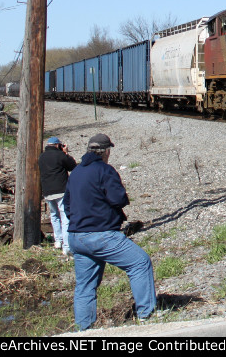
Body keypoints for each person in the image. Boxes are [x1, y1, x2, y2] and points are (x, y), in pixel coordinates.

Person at [64, 133, 155, 331]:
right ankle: (146, 316)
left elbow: (67, 206)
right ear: (106, 151)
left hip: (77, 236)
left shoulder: (76, 172)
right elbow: (118, 199)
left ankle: (84, 330)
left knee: (85, 285)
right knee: (140, 263)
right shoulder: (105, 170)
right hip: (102, 235)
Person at [38, 136, 76, 254]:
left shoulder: (41, 157)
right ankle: (67, 246)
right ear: (58, 145)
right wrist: (66, 153)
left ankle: (57, 241)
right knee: (65, 217)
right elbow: (72, 166)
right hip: (61, 190)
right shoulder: (60, 156)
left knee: (54, 215)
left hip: (48, 191)